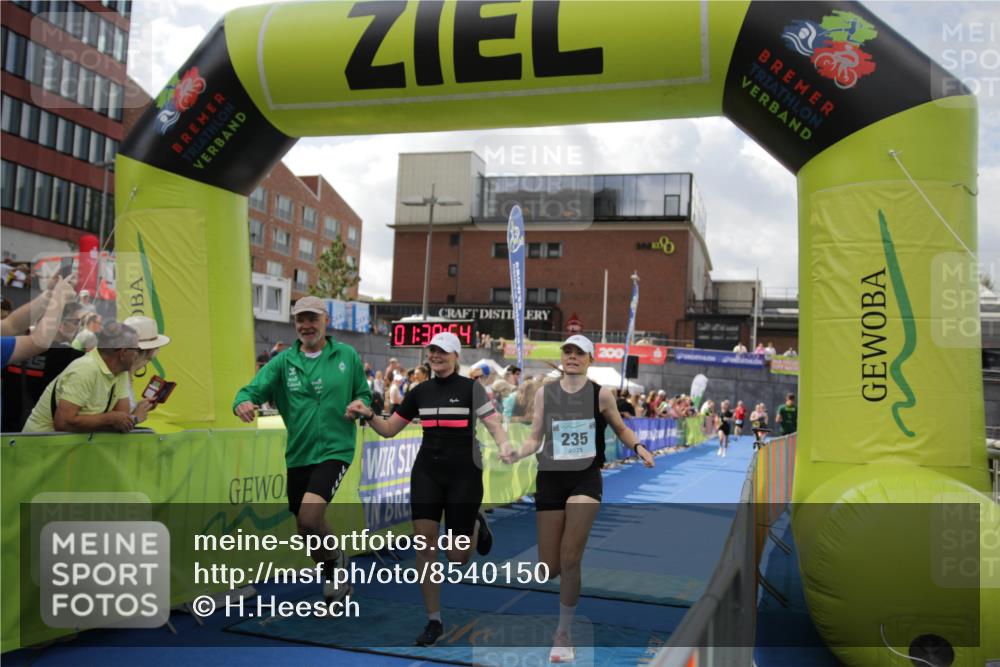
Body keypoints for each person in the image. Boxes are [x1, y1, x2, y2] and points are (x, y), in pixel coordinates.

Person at [347, 332, 513, 647]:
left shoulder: (472, 389)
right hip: (427, 474)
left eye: (443, 352)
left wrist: (504, 444)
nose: (436, 356)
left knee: (457, 557)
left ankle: (476, 522)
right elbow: (389, 429)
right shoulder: (419, 391)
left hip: (464, 474)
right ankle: (433, 621)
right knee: (425, 547)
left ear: (455, 356)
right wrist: (368, 415)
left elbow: (494, 425)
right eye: (432, 351)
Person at [507, 335, 654, 662]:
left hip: (585, 479)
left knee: (571, 556)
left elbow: (620, 428)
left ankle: (563, 634)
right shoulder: (546, 393)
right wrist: (518, 453)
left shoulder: (600, 394)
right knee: (549, 567)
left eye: (579, 353)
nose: (572, 357)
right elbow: (534, 438)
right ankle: (562, 597)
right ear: (563, 357)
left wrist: (639, 446)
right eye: (567, 352)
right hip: (550, 480)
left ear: (589, 358)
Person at [233, 296, 371, 603]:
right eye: (300, 320)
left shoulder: (346, 355)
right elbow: (250, 391)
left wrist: (361, 406)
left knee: (309, 518)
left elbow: (364, 393)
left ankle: (334, 569)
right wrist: (241, 402)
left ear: (326, 321)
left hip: (336, 449)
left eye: (312, 319)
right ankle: (337, 565)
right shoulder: (283, 361)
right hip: (299, 453)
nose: (306, 326)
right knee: (306, 527)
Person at [23, 323, 152, 433]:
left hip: (65, 451)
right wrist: (110, 418)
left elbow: (121, 420)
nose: (137, 355)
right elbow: (63, 423)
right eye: (137, 349)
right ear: (123, 353)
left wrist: (132, 417)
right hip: (38, 450)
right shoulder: (85, 369)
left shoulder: (120, 371)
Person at [122, 315, 171, 422]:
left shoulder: (124, 375)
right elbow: (113, 424)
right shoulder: (118, 378)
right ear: (151, 351)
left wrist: (139, 408)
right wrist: (135, 417)